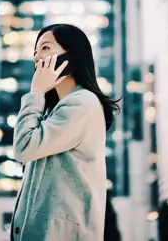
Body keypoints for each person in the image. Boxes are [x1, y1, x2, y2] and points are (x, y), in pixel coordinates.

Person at [10, 24, 120, 241]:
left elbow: (23, 147)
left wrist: (36, 92)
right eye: (35, 51)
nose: (37, 58)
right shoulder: (53, 111)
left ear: (71, 56)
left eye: (45, 48)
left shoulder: (82, 103)